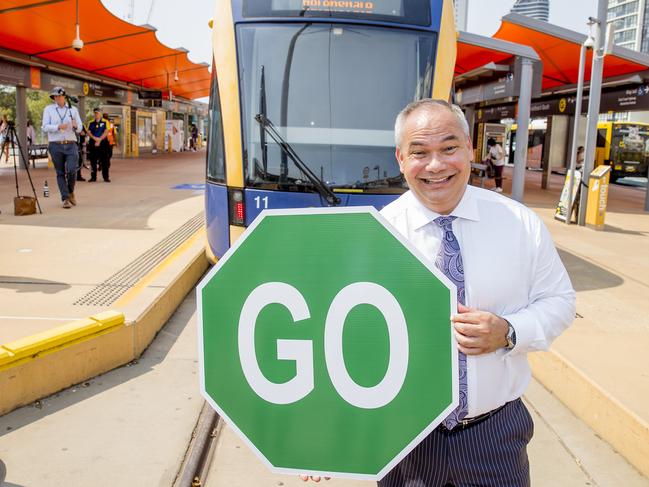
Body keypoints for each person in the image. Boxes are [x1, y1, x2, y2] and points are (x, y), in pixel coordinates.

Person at [302, 99, 576, 486]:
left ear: (469, 148)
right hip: (402, 439)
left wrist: (509, 331)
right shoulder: (372, 235)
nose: (435, 165)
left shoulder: (519, 224)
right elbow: (344, 342)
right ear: (400, 158)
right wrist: (325, 432)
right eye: (419, 153)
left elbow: (560, 301)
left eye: (448, 148)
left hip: (494, 436)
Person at [41, 87, 83, 209]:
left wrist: (76, 126)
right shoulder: (48, 109)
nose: (57, 98)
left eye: (59, 96)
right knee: (60, 172)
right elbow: (44, 127)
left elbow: (80, 127)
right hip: (55, 144)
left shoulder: (72, 109)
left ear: (64, 97)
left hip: (71, 144)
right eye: (55, 97)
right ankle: (65, 198)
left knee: (71, 170)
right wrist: (58, 126)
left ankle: (70, 191)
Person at [87, 107, 110, 182]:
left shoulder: (105, 122)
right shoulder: (90, 122)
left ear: (101, 114)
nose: (96, 115)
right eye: (95, 113)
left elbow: (106, 132)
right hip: (93, 142)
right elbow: (89, 132)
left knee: (104, 161)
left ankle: (105, 177)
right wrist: (95, 139)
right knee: (92, 161)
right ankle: (93, 177)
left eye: (97, 113)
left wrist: (99, 139)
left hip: (103, 143)